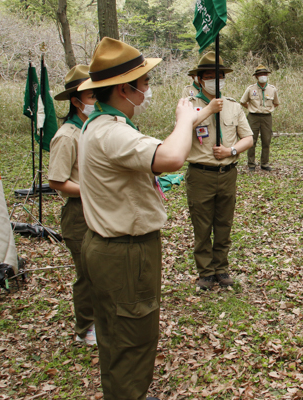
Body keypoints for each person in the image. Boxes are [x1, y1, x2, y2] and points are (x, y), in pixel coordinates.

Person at [77, 37, 221, 400]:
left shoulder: (100, 124)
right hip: (124, 253)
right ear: (125, 89)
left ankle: (125, 392)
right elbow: (171, 158)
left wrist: (193, 117)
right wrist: (184, 119)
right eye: (144, 84)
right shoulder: (112, 132)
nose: (148, 90)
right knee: (133, 336)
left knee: (114, 332)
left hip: (108, 247)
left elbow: (167, 146)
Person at [187, 52, 254, 290]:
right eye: (210, 76)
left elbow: (248, 138)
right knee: (202, 225)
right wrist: (207, 110)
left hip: (227, 174)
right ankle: (205, 272)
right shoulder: (189, 106)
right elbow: (182, 130)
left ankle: (221, 268)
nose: (216, 81)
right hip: (200, 175)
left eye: (220, 76)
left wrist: (231, 151)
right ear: (199, 79)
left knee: (224, 224)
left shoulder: (234, 106)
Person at [48, 65, 96, 346]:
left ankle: (101, 319)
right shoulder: (67, 136)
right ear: (76, 101)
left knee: (103, 270)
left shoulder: (96, 127)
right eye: (90, 96)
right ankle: (85, 327)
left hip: (100, 209)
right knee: (87, 273)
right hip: (79, 213)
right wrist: (91, 191)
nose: (95, 101)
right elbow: (57, 181)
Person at [240, 64, 280, 171]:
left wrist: (267, 109)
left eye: (264, 74)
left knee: (266, 140)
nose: (263, 76)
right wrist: (251, 108)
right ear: (256, 76)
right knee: (251, 140)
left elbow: (276, 103)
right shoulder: (250, 89)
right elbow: (243, 101)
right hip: (253, 116)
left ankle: (264, 163)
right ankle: (251, 163)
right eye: (260, 74)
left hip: (267, 117)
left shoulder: (272, 89)